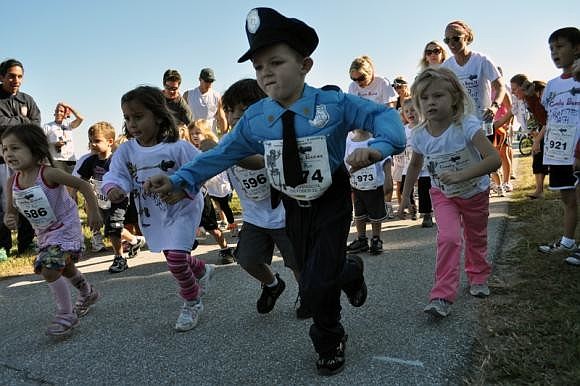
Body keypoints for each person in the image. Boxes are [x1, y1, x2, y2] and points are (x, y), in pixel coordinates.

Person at [145, 7, 406, 376]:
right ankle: (349, 270)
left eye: (276, 62)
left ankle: (329, 339)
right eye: (258, 67)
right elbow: (221, 153)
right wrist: (178, 180)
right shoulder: (256, 119)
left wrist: (379, 147)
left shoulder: (332, 105)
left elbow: (385, 117)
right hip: (291, 205)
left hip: (330, 199)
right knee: (312, 268)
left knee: (314, 284)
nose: (266, 72)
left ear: (305, 64)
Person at [103, 86, 214, 332]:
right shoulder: (127, 150)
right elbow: (117, 174)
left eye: (138, 116)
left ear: (158, 115)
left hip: (183, 206)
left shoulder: (178, 147)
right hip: (152, 211)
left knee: (175, 259)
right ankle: (203, 269)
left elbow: (203, 168)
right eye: (127, 118)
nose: (132, 123)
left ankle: (192, 301)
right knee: (174, 255)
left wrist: (185, 189)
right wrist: (114, 188)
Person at [399, 67, 501, 317]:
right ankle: (442, 295)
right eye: (424, 98)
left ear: (454, 96)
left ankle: (478, 276)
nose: (430, 103)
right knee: (449, 238)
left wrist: (461, 175)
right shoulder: (420, 134)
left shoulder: (466, 125)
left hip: (474, 191)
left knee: (476, 237)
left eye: (438, 96)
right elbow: (414, 164)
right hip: (443, 194)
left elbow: (494, 159)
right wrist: (404, 197)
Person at [2, 124, 103, 336]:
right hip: (45, 232)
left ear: (36, 150)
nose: (8, 153)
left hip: (66, 227)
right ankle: (88, 292)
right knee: (64, 268)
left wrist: (93, 211)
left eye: (15, 148)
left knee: (49, 268)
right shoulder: (12, 181)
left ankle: (66, 314)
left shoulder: (48, 173)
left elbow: (83, 185)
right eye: (4, 149)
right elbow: (11, 210)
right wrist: (10, 218)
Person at [221, 78, 310, 317]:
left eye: (245, 109)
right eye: (230, 110)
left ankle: (308, 294)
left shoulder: (275, 137)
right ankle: (272, 285)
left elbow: (262, 162)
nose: (236, 115)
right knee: (247, 259)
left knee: (297, 263)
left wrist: (229, 155)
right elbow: (206, 167)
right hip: (255, 217)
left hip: (286, 213)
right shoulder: (227, 143)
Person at [534, 27, 580, 256]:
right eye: (551, 48)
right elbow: (546, 118)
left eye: (560, 46)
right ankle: (568, 242)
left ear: (577, 48)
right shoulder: (552, 85)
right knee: (567, 197)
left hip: (578, 150)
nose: (554, 52)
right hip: (559, 152)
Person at [76, 122, 146, 273]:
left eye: (97, 141)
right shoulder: (90, 161)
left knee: (114, 227)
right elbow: (82, 181)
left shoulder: (116, 160)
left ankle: (119, 259)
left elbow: (129, 177)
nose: (92, 144)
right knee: (111, 228)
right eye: (90, 141)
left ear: (110, 142)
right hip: (100, 200)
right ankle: (135, 240)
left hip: (118, 199)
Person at [0, 59, 38, 256]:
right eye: (11, 76)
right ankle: (2, 246)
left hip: (24, 161)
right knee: (3, 202)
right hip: (1, 160)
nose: (16, 80)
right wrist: (24, 120)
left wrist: (19, 123)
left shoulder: (27, 100)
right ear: (1, 77)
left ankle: (27, 243)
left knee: (26, 199)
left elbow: (36, 125)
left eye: (20, 76)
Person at [187, 121, 236, 265]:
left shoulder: (211, 149)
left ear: (206, 132)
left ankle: (225, 249)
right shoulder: (190, 150)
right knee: (186, 226)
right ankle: (184, 256)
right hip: (192, 195)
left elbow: (216, 171)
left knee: (213, 228)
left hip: (205, 193)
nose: (194, 136)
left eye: (197, 133)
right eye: (192, 134)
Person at [344, 128, 392, 254]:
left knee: (376, 213)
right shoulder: (349, 140)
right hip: (356, 185)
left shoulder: (375, 140)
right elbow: (345, 161)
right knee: (359, 213)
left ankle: (376, 239)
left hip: (374, 185)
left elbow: (386, 159)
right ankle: (361, 239)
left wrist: (388, 177)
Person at [511, 74, 549, 199]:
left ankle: (541, 190)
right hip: (540, 131)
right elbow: (532, 122)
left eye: (515, 89)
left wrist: (537, 140)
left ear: (523, 87)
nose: (513, 92)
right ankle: (539, 190)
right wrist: (535, 137)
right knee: (537, 159)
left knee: (544, 159)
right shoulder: (526, 101)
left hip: (548, 130)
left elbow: (546, 120)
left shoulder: (536, 97)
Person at [400, 98, 433, 227]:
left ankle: (427, 214)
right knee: (405, 188)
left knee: (424, 190)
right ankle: (412, 209)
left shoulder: (426, 126)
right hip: (408, 164)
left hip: (424, 166)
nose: (410, 113)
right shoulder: (404, 129)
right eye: (406, 111)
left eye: (413, 110)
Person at [183, 68, 228, 136]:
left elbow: (222, 118)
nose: (209, 84)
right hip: (193, 137)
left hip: (210, 137)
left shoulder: (217, 96)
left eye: (211, 81)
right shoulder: (188, 95)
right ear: (200, 79)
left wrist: (225, 137)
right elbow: (181, 116)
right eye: (206, 81)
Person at [43, 102, 84, 174]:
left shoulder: (69, 125)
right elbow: (41, 143)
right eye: (57, 111)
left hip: (70, 160)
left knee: (70, 183)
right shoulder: (48, 126)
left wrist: (69, 106)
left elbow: (81, 118)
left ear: (65, 114)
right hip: (56, 160)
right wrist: (54, 144)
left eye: (61, 111)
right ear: (54, 113)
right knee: (58, 183)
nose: (59, 113)